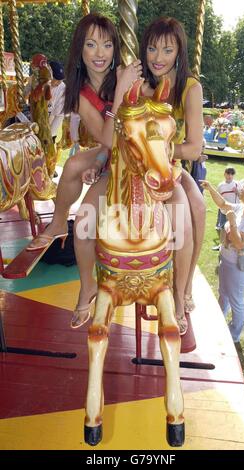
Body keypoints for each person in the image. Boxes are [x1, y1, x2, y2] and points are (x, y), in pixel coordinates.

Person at [26, 13, 142, 328]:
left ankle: (179, 289)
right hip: (114, 156)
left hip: (139, 161)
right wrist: (101, 162)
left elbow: (127, 133)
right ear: (80, 50)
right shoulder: (81, 92)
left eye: (106, 44)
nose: (100, 52)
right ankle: (83, 275)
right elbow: (106, 139)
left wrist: (125, 88)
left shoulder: (126, 76)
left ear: (115, 48)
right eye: (91, 44)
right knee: (77, 169)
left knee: (81, 181)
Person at [140, 17, 206, 334]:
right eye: (152, 48)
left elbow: (193, 148)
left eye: (167, 49)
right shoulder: (140, 85)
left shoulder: (189, 88)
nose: (158, 57)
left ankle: (183, 289)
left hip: (171, 167)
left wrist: (161, 150)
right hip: (140, 169)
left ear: (179, 51)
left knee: (196, 210)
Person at [200, 178, 244, 343]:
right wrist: (210, 188)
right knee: (224, 294)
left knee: (236, 299)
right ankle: (219, 321)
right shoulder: (242, 207)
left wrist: (232, 222)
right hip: (227, 260)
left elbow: (240, 243)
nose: (239, 188)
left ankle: (234, 335)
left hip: (238, 266)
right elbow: (223, 204)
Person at [213, 166, 241, 250]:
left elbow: (242, 196)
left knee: (234, 227)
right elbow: (218, 198)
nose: (230, 175)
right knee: (222, 228)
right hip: (224, 210)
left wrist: (237, 191)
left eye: (232, 174)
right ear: (224, 174)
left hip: (234, 210)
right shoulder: (221, 186)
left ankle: (232, 245)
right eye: (228, 173)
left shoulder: (237, 184)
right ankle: (221, 246)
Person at [48, 61, 66, 143]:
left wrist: (51, 134)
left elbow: (59, 115)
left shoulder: (62, 88)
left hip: (51, 117)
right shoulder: (40, 83)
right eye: (57, 80)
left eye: (61, 80)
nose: (59, 83)